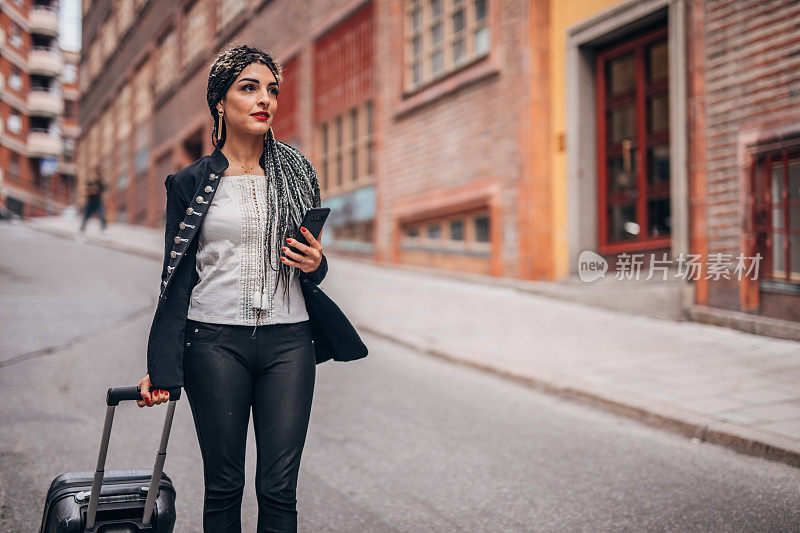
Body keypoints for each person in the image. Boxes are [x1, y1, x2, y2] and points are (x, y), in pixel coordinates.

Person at [136, 44, 368, 532]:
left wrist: (317, 263)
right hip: (213, 342)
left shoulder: (297, 173)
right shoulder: (189, 183)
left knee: (280, 489)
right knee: (223, 486)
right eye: (249, 88)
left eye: (272, 90)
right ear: (220, 101)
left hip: (290, 342)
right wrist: (161, 366)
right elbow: (175, 280)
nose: (265, 99)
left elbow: (308, 263)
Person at [78, 169, 107, 238]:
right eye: (96, 174)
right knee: (85, 218)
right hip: (90, 203)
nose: (97, 176)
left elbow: (105, 189)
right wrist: (92, 190)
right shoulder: (90, 182)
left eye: (98, 174)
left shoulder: (100, 183)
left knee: (102, 215)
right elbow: (84, 191)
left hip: (98, 203)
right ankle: (81, 231)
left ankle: (103, 230)